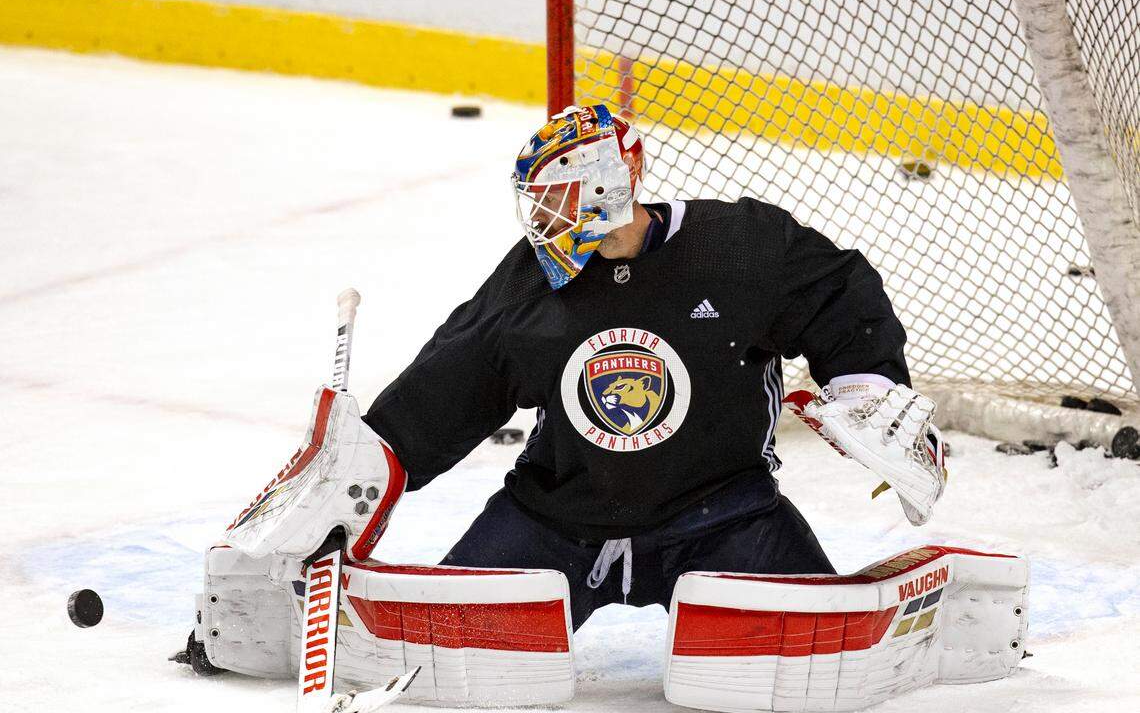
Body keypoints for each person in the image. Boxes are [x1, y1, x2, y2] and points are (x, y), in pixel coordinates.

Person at [222, 104, 945, 632]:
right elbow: (451, 382)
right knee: (432, 640)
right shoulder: (533, 281)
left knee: (824, 639)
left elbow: (837, 293)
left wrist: (872, 383)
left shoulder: (739, 250)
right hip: (555, 519)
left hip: (722, 515)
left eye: (555, 198)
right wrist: (364, 470)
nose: (542, 217)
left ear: (604, 187)